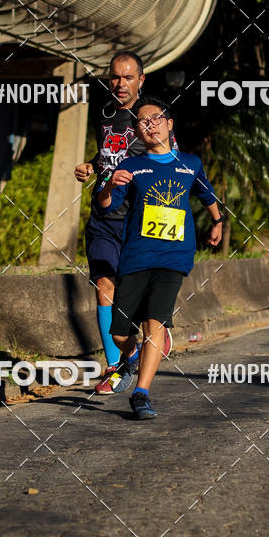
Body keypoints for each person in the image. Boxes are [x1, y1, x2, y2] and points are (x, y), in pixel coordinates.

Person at [97, 100, 223, 419]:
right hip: (136, 257)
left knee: (155, 322)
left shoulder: (190, 163)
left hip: (174, 258)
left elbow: (206, 195)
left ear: (169, 123)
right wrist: (110, 184)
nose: (149, 124)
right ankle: (132, 353)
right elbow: (107, 206)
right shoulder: (132, 167)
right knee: (119, 333)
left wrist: (218, 222)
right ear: (137, 132)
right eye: (142, 122)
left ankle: (141, 395)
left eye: (156, 118)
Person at [74, 52, 173, 395]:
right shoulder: (102, 115)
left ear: (141, 81)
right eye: (115, 77)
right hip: (103, 217)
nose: (120, 83)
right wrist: (89, 167)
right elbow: (106, 156)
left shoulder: (151, 119)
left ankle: (142, 340)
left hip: (137, 222)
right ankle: (116, 366)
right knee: (103, 286)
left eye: (128, 77)